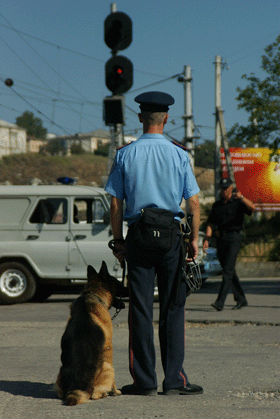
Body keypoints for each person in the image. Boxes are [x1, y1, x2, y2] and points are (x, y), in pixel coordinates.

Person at [105, 91, 203, 396]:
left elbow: (116, 203)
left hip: (139, 238)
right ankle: (174, 380)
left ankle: (144, 381)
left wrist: (119, 241)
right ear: (167, 119)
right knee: (173, 308)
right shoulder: (178, 154)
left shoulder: (124, 154)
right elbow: (194, 204)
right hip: (172, 238)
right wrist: (194, 240)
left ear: (140, 118)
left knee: (141, 311)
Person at [203, 178, 256, 311]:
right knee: (229, 270)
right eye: (222, 188)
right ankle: (241, 299)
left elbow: (253, 208)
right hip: (221, 240)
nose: (224, 190)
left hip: (234, 238)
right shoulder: (217, 205)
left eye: (226, 188)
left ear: (231, 188)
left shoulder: (238, 202)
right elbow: (211, 223)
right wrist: (207, 239)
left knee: (227, 270)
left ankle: (220, 302)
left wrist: (242, 197)